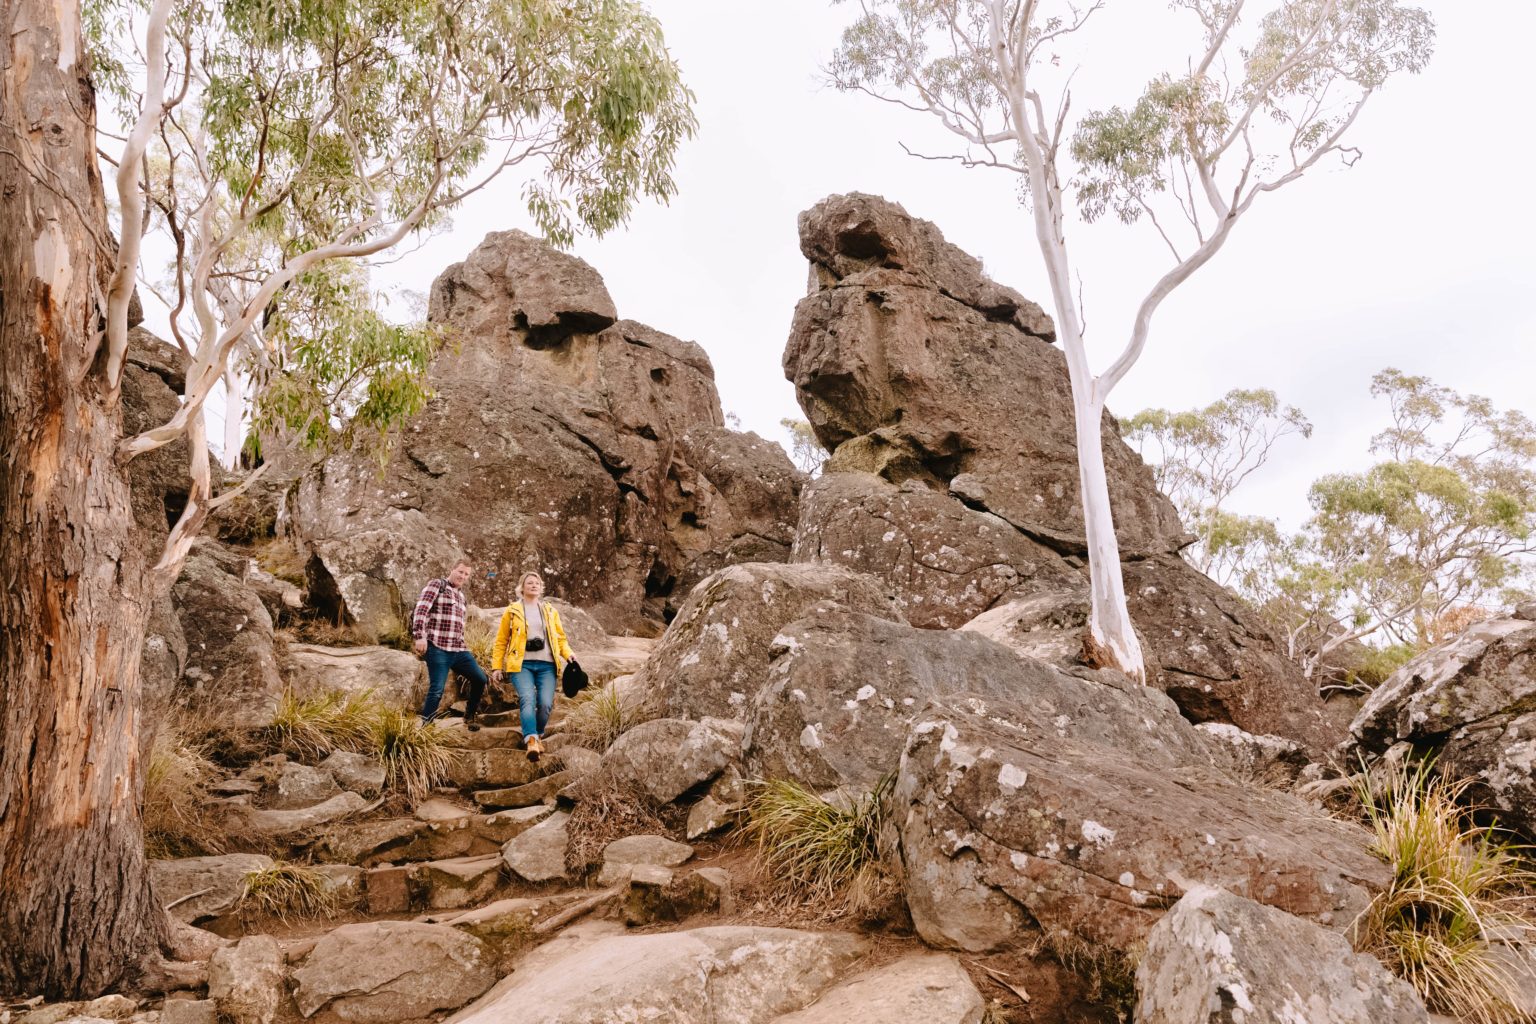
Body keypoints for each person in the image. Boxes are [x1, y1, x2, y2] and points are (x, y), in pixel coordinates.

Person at [491, 571, 574, 760]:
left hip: (547, 665)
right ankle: (531, 740)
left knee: (545, 704)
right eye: (530, 583)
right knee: (527, 699)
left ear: (541, 587)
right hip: (522, 665)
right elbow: (501, 640)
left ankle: (538, 734)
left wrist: (568, 654)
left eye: (537, 583)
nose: (534, 585)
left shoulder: (550, 611)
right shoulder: (512, 611)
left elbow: (560, 638)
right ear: (522, 587)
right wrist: (497, 666)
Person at [411, 560, 490, 729]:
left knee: (480, 679)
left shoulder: (461, 597)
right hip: (438, 647)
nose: (462, 576)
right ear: (452, 569)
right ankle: (426, 728)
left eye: (466, 574)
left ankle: (469, 717)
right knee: (437, 689)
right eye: (460, 572)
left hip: (458, 649)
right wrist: (420, 636)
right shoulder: (436, 585)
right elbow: (421, 610)